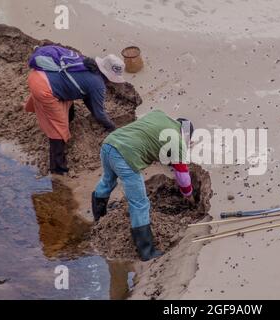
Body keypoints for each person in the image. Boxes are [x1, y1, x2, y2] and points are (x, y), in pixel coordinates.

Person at [92, 109, 195, 261]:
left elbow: (150, 138)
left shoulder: (159, 114)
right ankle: (146, 252)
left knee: (107, 181)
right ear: (185, 135)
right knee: (140, 203)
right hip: (127, 156)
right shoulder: (177, 141)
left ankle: (98, 219)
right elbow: (182, 175)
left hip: (109, 143)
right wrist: (188, 194)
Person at [25, 48, 125, 174]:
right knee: (58, 126)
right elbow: (99, 113)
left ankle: (68, 119)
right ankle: (57, 167)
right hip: (44, 88)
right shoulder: (98, 84)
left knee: (67, 98)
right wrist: (112, 127)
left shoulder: (86, 65)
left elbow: (87, 98)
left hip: (38, 75)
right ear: (109, 76)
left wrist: (97, 113)